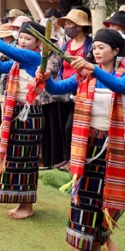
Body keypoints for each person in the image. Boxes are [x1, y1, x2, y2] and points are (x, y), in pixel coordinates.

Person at [42, 28, 125, 251]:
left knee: (110, 196)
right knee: (85, 194)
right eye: (95, 47)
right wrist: (45, 79)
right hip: (87, 141)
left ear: (115, 51)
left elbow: (120, 88)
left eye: (102, 47)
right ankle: (92, 243)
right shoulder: (84, 75)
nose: (97, 51)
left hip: (112, 145)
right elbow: (57, 89)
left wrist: (93, 68)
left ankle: (105, 236)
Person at [0, 20, 47, 219]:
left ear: (39, 43)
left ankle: (27, 205)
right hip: (17, 114)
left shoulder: (33, 57)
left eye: (28, 38)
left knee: (26, 160)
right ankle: (22, 202)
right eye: (22, 37)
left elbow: (4, 48)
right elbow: (0, 66)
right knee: (15, 159)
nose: (23, 41)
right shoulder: (20, 62)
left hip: (29, 116)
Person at [49, 9, 93, 169]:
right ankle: (66, 158)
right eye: (66, 24)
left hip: (80, 91)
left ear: (80, 26)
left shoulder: (90, 45)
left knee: (71, 127)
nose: (67, 27)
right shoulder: (66, 45)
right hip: (63, 89)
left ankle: (74, 159)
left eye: (70, 24)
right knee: (62, 127)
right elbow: (61, 67)